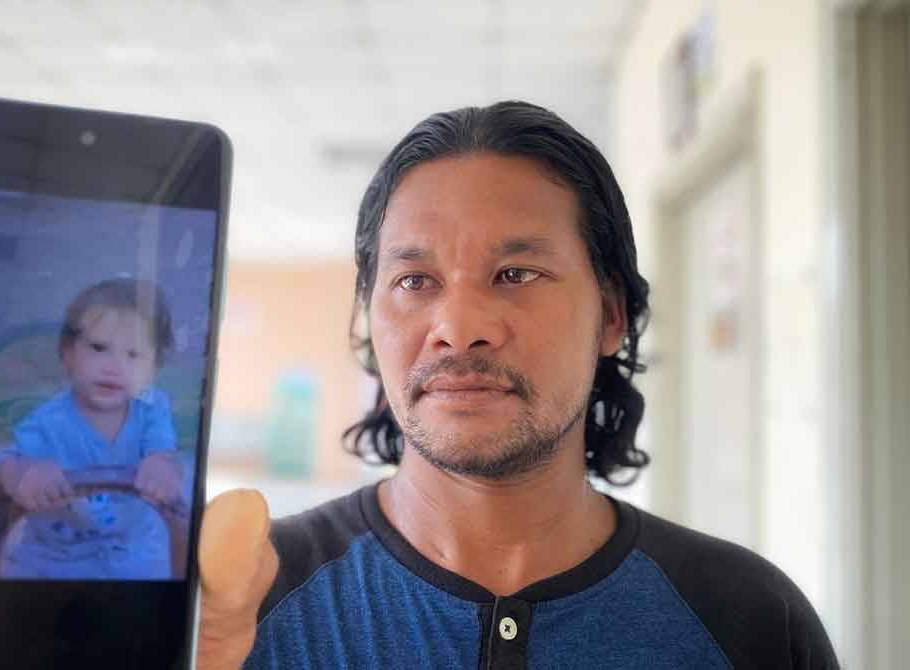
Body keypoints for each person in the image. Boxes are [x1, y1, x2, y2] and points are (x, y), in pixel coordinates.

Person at [196, 102, 839, 669]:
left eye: (516, 274)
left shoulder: (749, 620)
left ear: (610, 315)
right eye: (415, 282)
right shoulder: (243, 605)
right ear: (369, 318)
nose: (457, 328)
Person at [0, 278, 185, 579]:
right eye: (99, 348)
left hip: (135, 553)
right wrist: (17, 473)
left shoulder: (152, 410)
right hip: (55, 560)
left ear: (153, 369)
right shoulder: (46, 424)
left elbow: (167, 456)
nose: (114, 366)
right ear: (68, 352)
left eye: (134, 354)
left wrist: (164, 466)